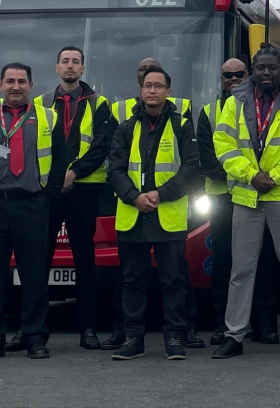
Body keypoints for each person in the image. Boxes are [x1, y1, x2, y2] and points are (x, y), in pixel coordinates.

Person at [212, 45, 280, 360]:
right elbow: (224, 145)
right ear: (253, 69)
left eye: (272, 67)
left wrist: (272, 175)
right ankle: (235, 335)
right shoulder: (234, 103)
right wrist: (250, 175)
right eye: (260, 67)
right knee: (241, 270)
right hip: (248, 195)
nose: (266, 72)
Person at [0, 63, 69, 360]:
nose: (15, 86)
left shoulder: (48, 118)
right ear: (1, 85)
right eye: (10, 81)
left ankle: (34, 337)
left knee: (33, 275)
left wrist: (47, 198)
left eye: (21, 81)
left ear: (31, 85)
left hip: (32, 205)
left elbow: (59, 162)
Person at [106, 58, 201, 350]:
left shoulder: (182, 125)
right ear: (140, 90)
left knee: (173, 281)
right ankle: (134, 337)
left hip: (168, 215)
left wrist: (160, 194)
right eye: (148, 85)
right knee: (132, 280)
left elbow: (190, 168)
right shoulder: (126, 126)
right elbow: (115, 169)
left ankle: (174, 336)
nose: (152, 91)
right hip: (133, 214)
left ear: (168, 92)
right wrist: (135, 196)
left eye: (159, 86)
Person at [199, 58, 280, 346]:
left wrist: (253, 178)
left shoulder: (266, 106)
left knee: (264, 260)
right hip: (223, 197)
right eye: (227, 75)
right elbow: (208, 159)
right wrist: (244, 175)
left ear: (248, 75)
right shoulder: (209, 112)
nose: (233, 79)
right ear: (220, 79)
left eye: (239, 74)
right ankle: (225, 324)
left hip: (257, 196)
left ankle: (264, 324)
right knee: (224, 262)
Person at [35, 46, 114, 350]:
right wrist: (58, 177)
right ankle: (34, 330)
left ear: (83, 68)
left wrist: (74, 173)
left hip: (84, 189)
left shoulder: (100, 104)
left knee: (85, 260)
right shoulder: (41, 102)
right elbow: (34, 143)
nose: (70, 66)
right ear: (57, 67)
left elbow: (101, 146)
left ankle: (88, 329)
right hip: (48, 191)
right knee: (38, 260)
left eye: (75, 62)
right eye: (65, 61)